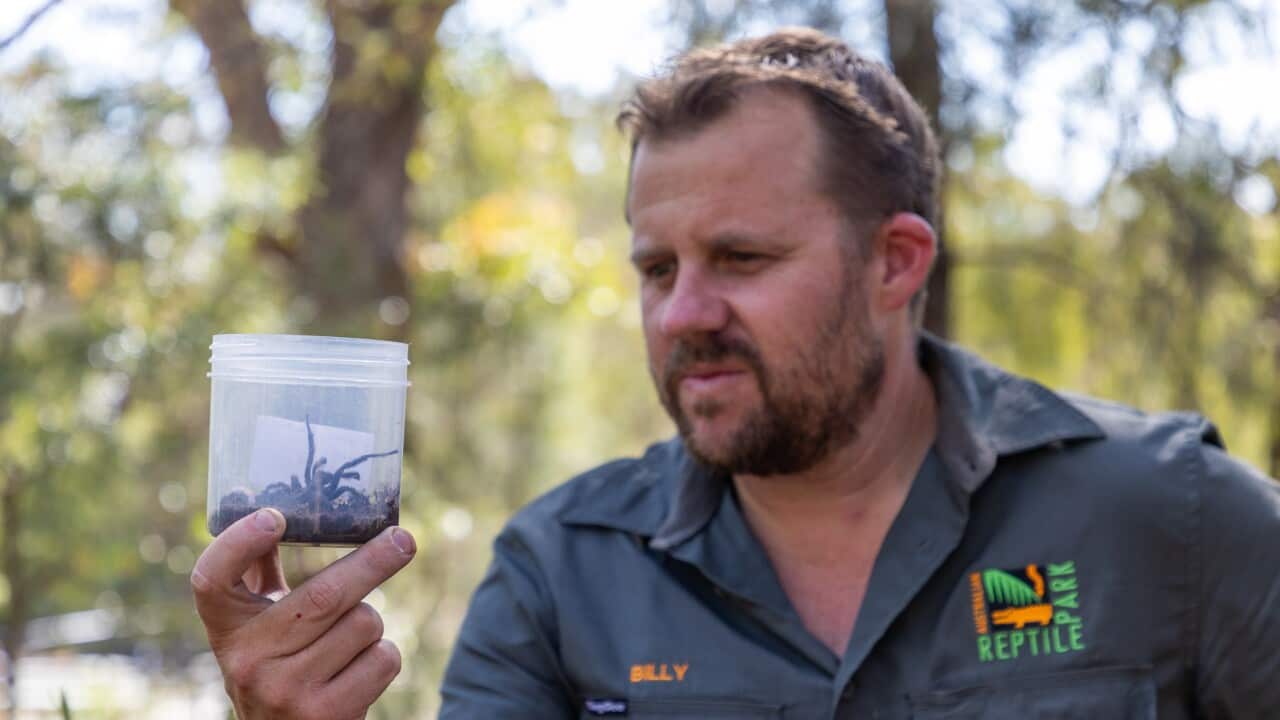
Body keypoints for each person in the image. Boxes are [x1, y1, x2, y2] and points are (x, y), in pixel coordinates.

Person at [191, 27, 1280, 719]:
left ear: (894, 262)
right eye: (655, 267)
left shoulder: (1171, 518)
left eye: (743, 259)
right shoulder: (560, 577)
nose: (683, 314)